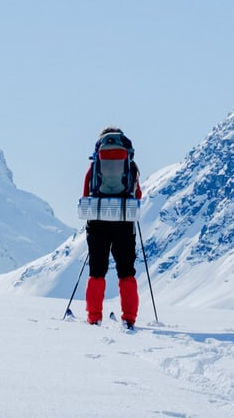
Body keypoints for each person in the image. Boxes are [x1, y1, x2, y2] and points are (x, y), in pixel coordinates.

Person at [81, 126, 143, 328]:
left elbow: (86, 193)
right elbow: (137, 194)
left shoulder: (94, 166)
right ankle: (129, 318)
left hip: (98, 220)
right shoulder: (131, 165)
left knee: (97, 271)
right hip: (124, 219)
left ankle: (94, 317)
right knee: (126, 272)